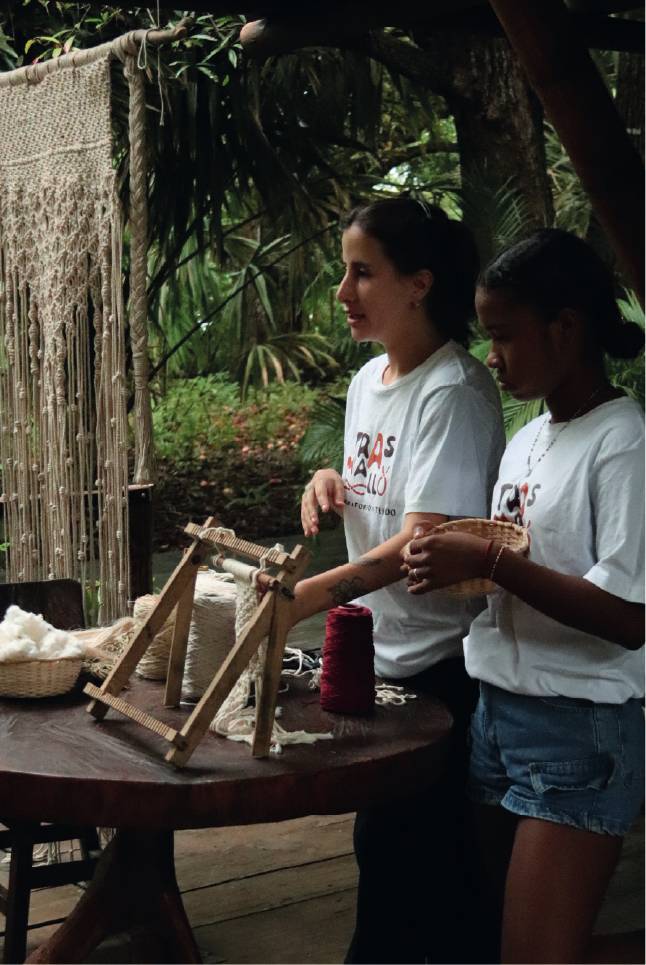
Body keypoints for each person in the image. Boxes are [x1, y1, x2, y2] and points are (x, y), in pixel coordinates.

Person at [402, 228, 645, 964]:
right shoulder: (530, 437)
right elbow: (522, 565)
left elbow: (629, 617)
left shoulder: (623, 442)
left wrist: (490, 562)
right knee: (503, 942)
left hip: (579, 728)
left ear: (565, 328)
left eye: (504, 336)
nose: (492, 356)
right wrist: (451, 565)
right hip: (497, 716)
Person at [290, 195, 506, 963]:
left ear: (418, 284)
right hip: (382, 662)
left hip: (442, 671)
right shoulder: (367, 383)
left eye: (362, 273)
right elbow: (384, 489)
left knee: (424, 880)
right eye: (343, 271)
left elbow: (422, 539)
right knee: (386, 860)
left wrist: (304, 597)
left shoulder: (454, 391)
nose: (342, 292)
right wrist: (330, 479)